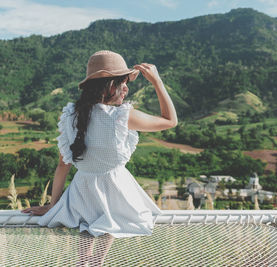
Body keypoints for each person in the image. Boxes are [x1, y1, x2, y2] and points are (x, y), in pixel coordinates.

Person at [21, 50, 177, 263]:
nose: (126, 88)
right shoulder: (122, 116)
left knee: (89, 221)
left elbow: (62, 165)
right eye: (123, 83)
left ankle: (85, 260)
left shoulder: (70, 115)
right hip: (115, 188)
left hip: (80, 191)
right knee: (111, 217)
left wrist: (53, 205)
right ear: (110, 86)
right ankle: (96, 261)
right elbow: (170, 120)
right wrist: (157, 82)